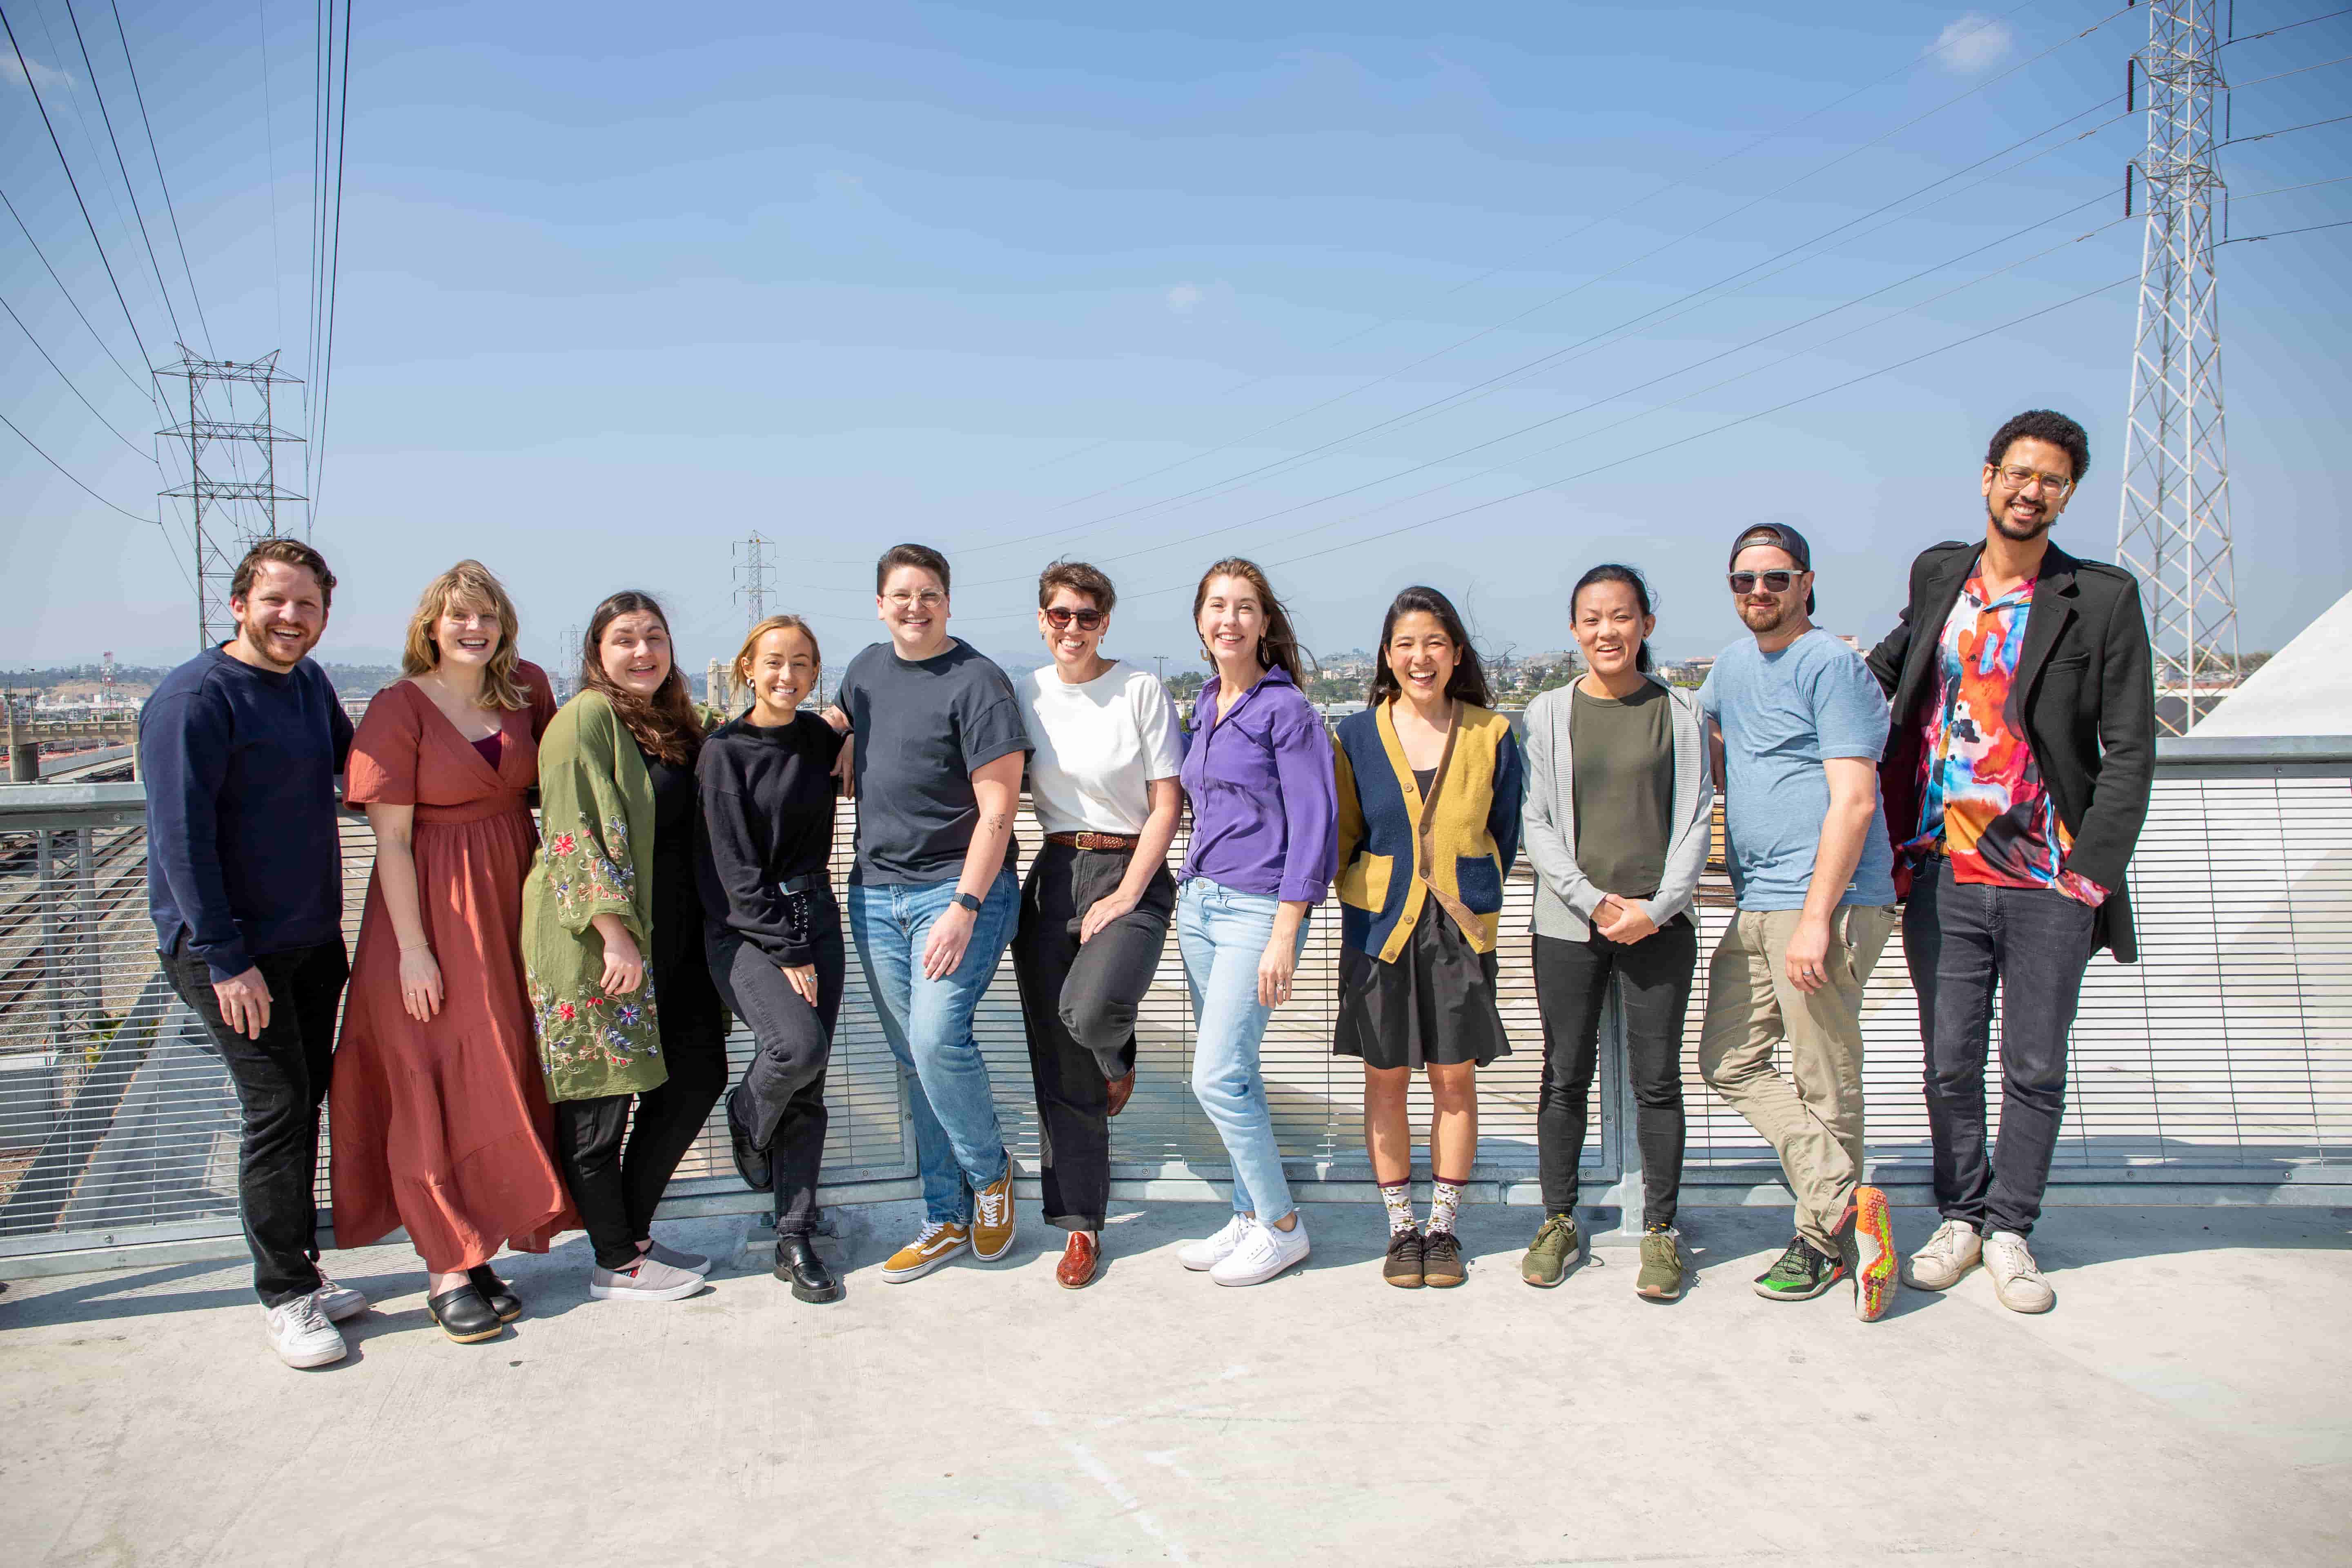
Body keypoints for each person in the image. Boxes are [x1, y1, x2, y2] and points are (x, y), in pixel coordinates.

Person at [1866, 410, 2156, 1314]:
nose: (2031, 492)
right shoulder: (1940, 572)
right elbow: (1887, 669)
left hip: (2045, 880)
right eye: (2018, 474)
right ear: (1988, 477)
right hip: (1942, 873)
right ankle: (1960, 1215)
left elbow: (2131, 749)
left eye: (2053, 482)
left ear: (2067, 495)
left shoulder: (2101, 599)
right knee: (1949, 1060)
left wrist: (2089, 875)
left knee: (2033, 1065)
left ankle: (2012, 1230)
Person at [331, 561, 571, 1343]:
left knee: (499, 1071)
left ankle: (479, 1247)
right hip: (432, 910)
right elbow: (391, 843)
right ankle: (444, 1266)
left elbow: (569, 774)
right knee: (432, 1075)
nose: (475, 630)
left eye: (489, 617)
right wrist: (413, 952)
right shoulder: (400, 707)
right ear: (431, 626)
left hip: (513, 898)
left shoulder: (528, 688)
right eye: (459, 617)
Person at [141, 537, 365, 1368]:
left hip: (308, 941)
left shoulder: (306, 684)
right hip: (232, 953)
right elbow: (180, 842)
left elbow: (358, 772)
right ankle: (284, 1297)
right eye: (276, 601)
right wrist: (227, 959)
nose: (292, 617)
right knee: (275, 1110)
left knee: (302, 1104)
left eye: (308, 605)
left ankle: (300, 1271)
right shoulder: (196, 700)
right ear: (238, 604)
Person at [1695, 523, 1903, 1321]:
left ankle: (1823, 1243)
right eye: (1744, 581)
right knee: (1726, 1058)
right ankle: (1846, 1200)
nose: (1758, 593)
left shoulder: (1831, 666)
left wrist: (1819, 917)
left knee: (1824, 1076)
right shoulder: (1733, 668)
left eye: (1775, 580)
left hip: (1827, 902)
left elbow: (1853, 799)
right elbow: (1697, 735)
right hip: (1756, 898)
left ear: (1807, 584)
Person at [826, 544, 1031, 1283]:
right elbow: (839, 719)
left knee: (938, 1037)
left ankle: (991, 1175)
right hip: (876, 894)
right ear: (881, 605)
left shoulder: (979, 682)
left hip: (958, 891)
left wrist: (966, 909)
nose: (916, 607)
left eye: (930, 594)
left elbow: (1000, 811)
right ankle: (945, 1218)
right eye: (902, 596)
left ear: (949, 602)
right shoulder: (864, 672)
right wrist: (842, 735)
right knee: (914, 1060)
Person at [1518, 565, 1714, 1302]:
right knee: (1565, 1073)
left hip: (1660, 925)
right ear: (1574, 630)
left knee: (1658, 1081)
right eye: (1593, 619)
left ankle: (1661, 1231)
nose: (1608, 631)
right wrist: (1594, 902)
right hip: (1568, 925)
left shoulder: (1683, 713)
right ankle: (1559, 1220)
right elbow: (1535, 820)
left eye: (1622, 617)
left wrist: (1655, 909)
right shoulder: (1546, 713)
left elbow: (1696, 818)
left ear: (1646, 626)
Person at [522, 591, 722, 1303]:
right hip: (597, 943)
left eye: (655, 638)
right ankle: (615, 1260)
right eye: (625, 640)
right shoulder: (585, 721)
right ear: (597, 654)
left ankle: (631, 1234)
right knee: (599, 1102)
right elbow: (569, 833)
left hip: (676, 940)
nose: (643, 652)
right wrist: (613, 934)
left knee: (695, 1078)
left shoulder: (678, 722)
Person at [1331, 586, 1521, 1290]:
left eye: (1435, 643)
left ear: (1457, 654)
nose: (1421, 657)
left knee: (1453, 1080)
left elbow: (1503, 832)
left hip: (1459, 933)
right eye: (1406, 644)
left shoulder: (1492, 734)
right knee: (1384, 1082)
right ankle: (1400, 1230)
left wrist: (1463, 888)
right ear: (1388, 655)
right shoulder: (1355, 736)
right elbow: (1346, 833)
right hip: (1379, 930)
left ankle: (1443, 1228)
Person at [1009, 562, 1184, 1290]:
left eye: (1086, 615)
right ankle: (1080, 1228)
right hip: (1052, 873)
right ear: (1042, 619)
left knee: (1092, 1011)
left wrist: (1127, 892)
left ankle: (1118, 1057)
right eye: (1059, 615)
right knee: (1056, 1062)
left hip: (1131, 870)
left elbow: (1167, 804)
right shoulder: (1024, 694)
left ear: (1105, 621)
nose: (1072, 628)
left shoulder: (1140, 689)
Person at [1173, 558, 1337, 1288]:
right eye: (1217, 607)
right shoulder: (1206, 701)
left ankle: (1280, 1225)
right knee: (1237, 1074)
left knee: (1214, 1077)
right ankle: (1246, 1216)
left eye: (1244, 607)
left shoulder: (1287, 710)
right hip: (1201, 904)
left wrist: (1284, 932)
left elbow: (1315, 824)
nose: (1229, 620)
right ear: (1201, 621)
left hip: (1257, 911)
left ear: (1265, 622)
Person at [698, 615, 849, 1305]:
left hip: (817, 913)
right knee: (795, 1049)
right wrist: (785, 946)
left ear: (816, 674)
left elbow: (870, 722)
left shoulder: (820, 738)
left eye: (802, 664)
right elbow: (731, 870)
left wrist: (853, 739)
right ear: (747, 670)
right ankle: (744, 1115)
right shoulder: (723, 753)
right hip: (747, 927)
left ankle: (794, 1234)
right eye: (773, 663)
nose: (786, 675)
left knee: (810, 1085)